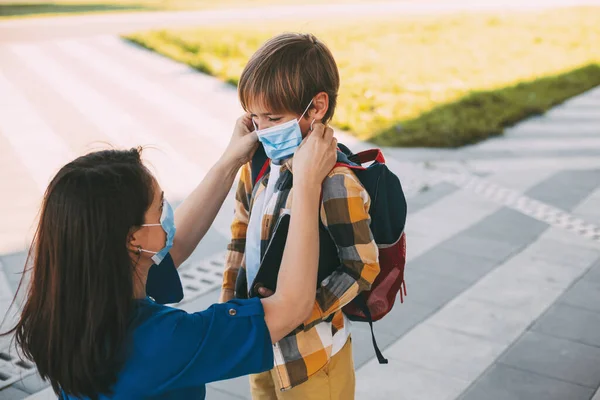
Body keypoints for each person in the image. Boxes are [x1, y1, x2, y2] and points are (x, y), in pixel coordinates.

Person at [1, 115, 337, 399]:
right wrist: (307, 184)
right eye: (160, 205)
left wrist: (228, 163)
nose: (168, 212)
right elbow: (290, 306)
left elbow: (170, 249)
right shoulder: (163, 341)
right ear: (134, 240)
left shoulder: (66, 310)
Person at [220, 33, 380, 399]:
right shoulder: (256, 164)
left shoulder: (336, 181)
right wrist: (229, 307)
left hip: (314, 357)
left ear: (316, 107)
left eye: (273, 118)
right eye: (254, 118)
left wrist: (297, 314)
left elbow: (361, 266)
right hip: (260, 350)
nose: (261, 130)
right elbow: (239, 237)